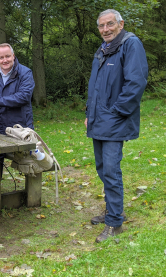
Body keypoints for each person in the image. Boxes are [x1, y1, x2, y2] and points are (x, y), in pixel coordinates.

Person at [85, 9, 148, 242]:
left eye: (110, 24)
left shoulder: (131, 45)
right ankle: (114, 208)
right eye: (101, 26)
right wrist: (88, 113)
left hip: (114, 119)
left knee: (111, 170)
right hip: (99, 118)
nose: (105, 29)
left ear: (120, 24)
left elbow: (136, 82)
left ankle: (114, 223)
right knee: (102, 168)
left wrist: (117, 112)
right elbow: (95, 87)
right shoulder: (102, 50)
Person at [0, 43, 35, 174]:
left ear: (13, 56)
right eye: (1, 57)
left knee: (28, 162)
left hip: (20, 127)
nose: (4, 60)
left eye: (7, 56)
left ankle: (31, 194)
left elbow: (24, 96)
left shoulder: (25, 72)